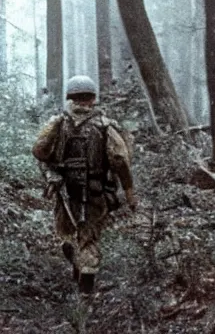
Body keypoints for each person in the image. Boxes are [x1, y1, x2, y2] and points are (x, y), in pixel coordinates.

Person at [32, 75, 137, 294]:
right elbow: (120, 160)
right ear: (92, 98)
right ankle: (86, 292)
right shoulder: (105, 126)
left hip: (65, 191)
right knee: (89, 237)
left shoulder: (58, 123)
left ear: (70, 97)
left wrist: (55, 170)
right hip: (95, 192)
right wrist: (129, 193)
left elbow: (39, 150)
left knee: (67, 231)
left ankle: (73, 254)